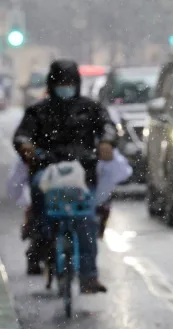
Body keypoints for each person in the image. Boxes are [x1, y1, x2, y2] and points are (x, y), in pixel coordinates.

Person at [13, 59, 116, 293]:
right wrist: (26, 146)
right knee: (41, 216)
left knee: (87, 220)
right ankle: (38, 247)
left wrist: (107, 142)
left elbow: (108, 126)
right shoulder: (37, 111)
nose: (65, 86)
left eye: (69, 82)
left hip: (83, 175)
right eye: (60, 82)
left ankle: (89, 276)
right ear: (52, 83)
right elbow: (21, 135)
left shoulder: (91, 108)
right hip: (46, 173)